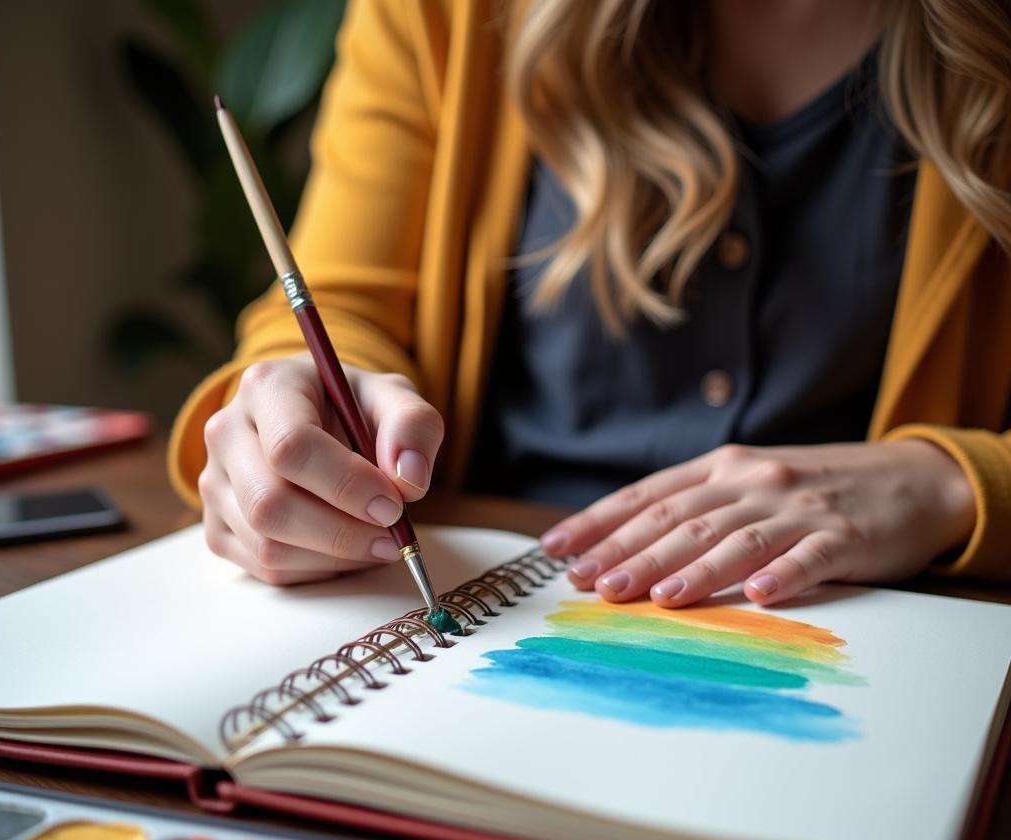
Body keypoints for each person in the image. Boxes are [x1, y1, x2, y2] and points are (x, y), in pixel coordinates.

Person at [168, 0, 1011, 609]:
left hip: (862, 613)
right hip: (497, 591)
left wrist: (954, 487)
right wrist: (299, 411)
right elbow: (341, 299)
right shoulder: (444, 16)